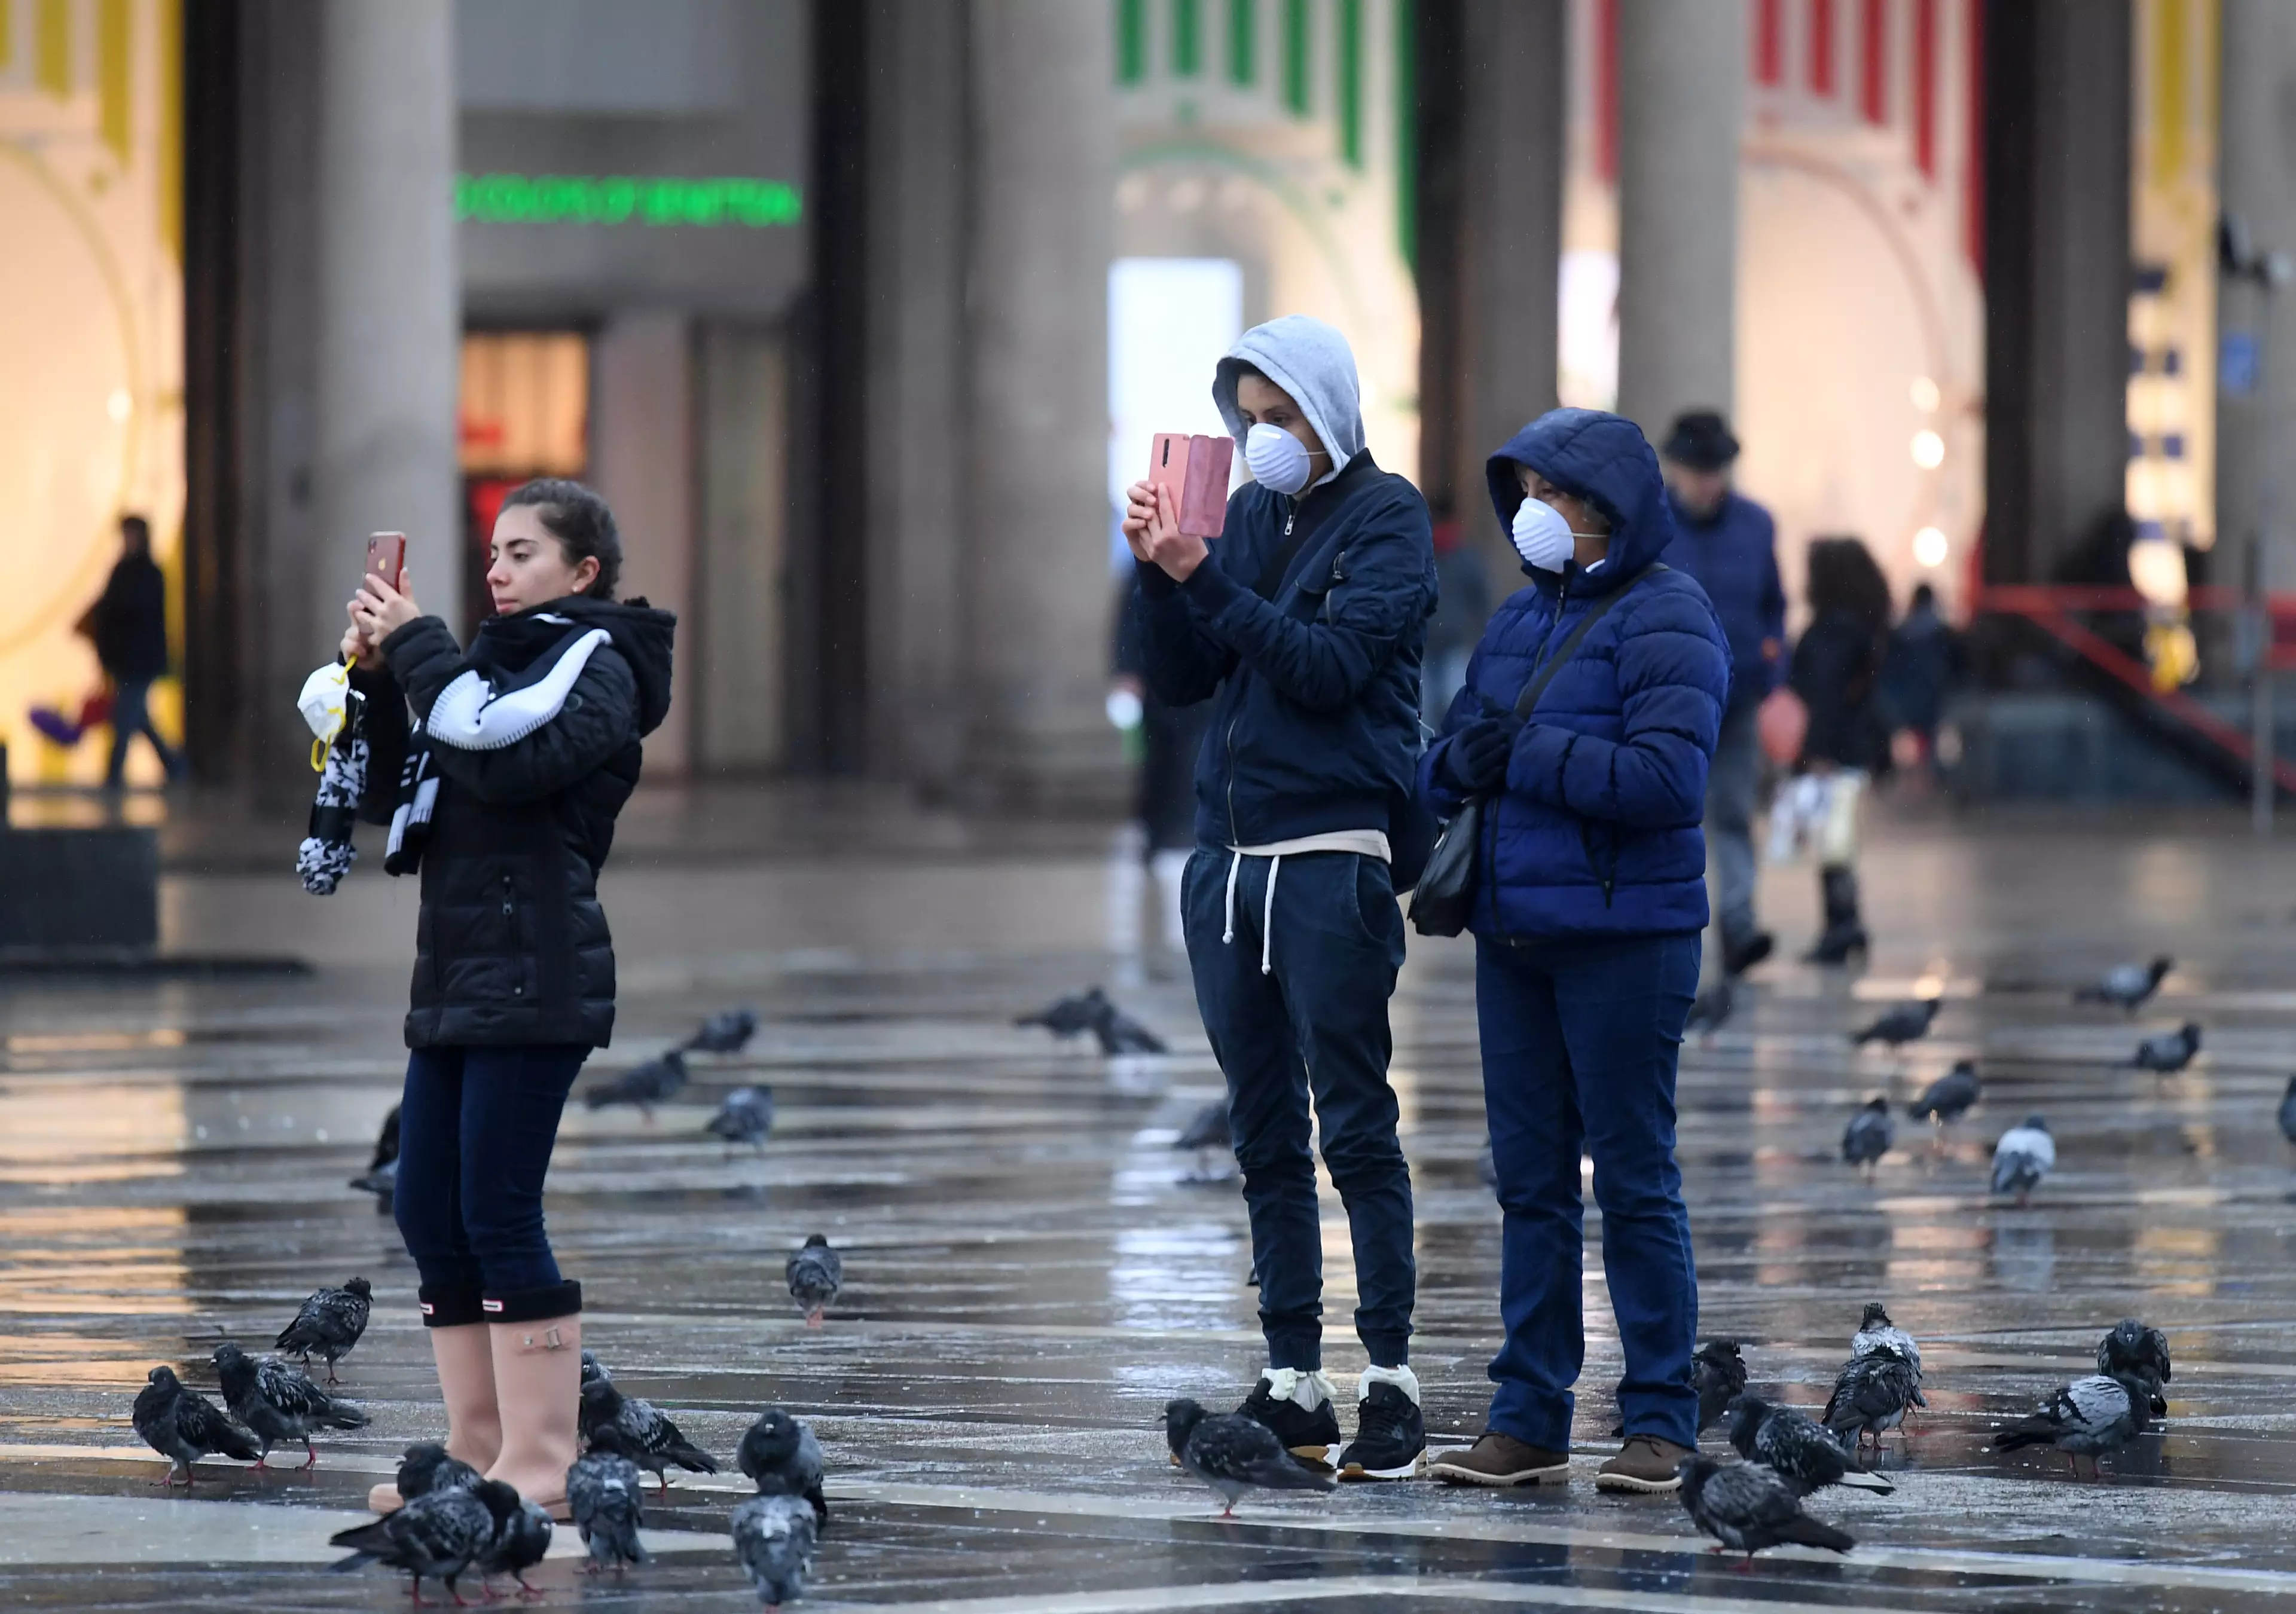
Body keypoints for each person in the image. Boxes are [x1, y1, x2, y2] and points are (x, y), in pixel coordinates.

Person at [1124, 314, 1436, 1480]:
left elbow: (1325, 671)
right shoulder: (1248, 513)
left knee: (1355, 1124)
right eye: (1248, 419)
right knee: (1261, 1131)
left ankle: (1391, 1376)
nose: (1262, 440)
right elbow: (1182, 682)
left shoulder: (1388, 518)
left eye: (1282, 418)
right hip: (1230, 860)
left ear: (1331, 412)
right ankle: (1294, 1373)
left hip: (1330, 853)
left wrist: (1206, 578)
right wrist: (1167, 580)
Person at [343, 480, 675, 1515]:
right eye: (492, 550)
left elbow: (511, 767)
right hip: (454, 972)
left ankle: (543, 1457)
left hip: (539, 973)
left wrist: (427, 650)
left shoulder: (603, 669)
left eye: (522, 552)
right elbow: (403, 791)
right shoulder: (473, 676)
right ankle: (477, 1441)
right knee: (426, 1207)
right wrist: (376, 678)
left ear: (583, 572)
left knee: (496, 1206)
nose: (497, 568)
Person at [1420, 408, 1728, 1495]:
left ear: (1608, 512)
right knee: (1532, 1187)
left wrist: (1528, 753)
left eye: (1557, 497)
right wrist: (1454, 763)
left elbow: (1667, 782)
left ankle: (1659, 1421)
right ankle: (1527, 1417)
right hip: (1515, 936)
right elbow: (1455, 755)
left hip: (1624, 940)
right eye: (1527, 495)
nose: (1533, 516)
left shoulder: (1671, 616)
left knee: (1635, 1180)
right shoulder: (1515, 621)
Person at [1656, 411, 1784, 976]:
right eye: (1699, 469)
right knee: (1664, 811)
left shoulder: (1756, 525)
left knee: (1732, 811)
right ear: (1674, 469)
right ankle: (1664, 918)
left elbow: (1775, 604)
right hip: (1666, 697)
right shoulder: (1649, 523)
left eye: (1719, 469)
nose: (1710, 481)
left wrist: (1772, 668)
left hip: (1739, 694)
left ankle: (1738, 922)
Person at [1788, 536, 1894, 963]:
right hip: (1853, 745)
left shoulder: (1833, 629)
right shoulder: (1861, 626)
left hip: (1834, 749)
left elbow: (1827, 694)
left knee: (1834, 847)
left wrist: (1816, 751)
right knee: (1839, 844)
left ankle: (1842, 926)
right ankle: (1845, 925)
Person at [82, 514, 184, 788]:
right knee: (137, 718)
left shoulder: (150, 574)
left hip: (140, 661)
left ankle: (114, 776)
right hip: (123, 660)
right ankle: (176, 766)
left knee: (126, 719)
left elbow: (141, 619)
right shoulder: (121, 571)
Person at [1421, 494, 1491, 727]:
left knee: (1454, 704)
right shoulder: (1421, 554)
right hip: (1424, 647)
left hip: (1455, 645)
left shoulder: (1463, 556)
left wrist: (1476, 637)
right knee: (1427, 710)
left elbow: (1480, 600)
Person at [1880, 582, 1964, 772]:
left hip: (1906, 704)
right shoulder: (1945, 635)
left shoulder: (1900, 635)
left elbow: (1890, 674)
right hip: (1936, 703)